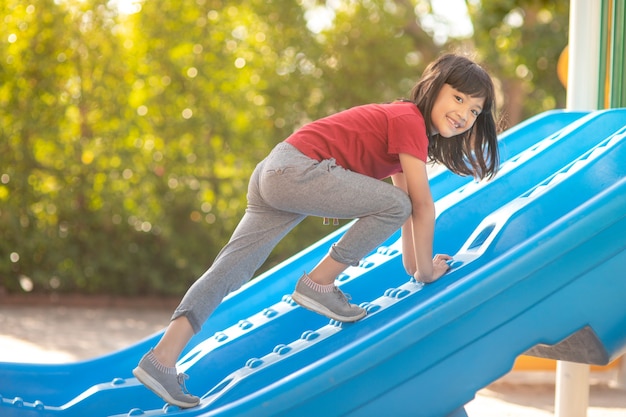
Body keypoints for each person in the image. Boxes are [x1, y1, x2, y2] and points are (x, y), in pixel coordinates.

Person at [132, 52, 500, 408]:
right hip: (296, 171)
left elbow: (404, 210)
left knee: (230, 269)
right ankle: (319, 284)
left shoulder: (403, 127)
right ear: (434, 87)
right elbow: (420, 205)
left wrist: (412, 269)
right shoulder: (408, 119)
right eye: (458, 97)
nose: (464, 114)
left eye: (473, 110)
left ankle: (161, 359)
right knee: (396, 204)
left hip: (275, 170)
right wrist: (426, 272)